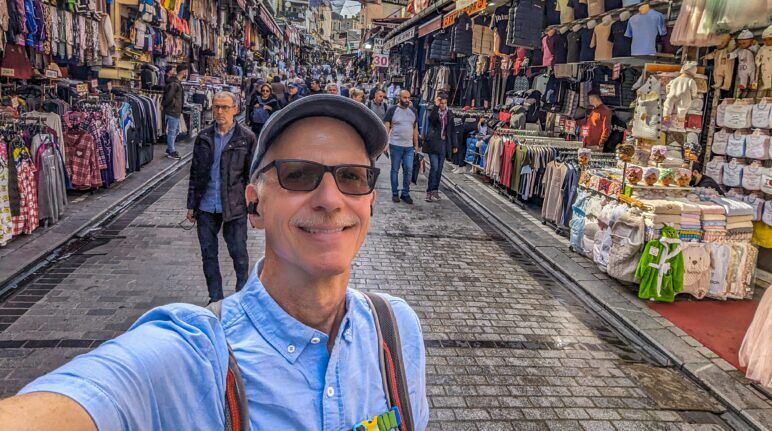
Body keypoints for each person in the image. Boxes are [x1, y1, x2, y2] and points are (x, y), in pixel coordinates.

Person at [0, 95, 429, 431]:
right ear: (255, 205)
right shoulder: (198, 354)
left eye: (352, 177)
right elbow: (100, 392)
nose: (331, 200)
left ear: (370, 200)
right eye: (299, 174)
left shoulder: (396, 330)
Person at [183, 91, 256, 302]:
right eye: (216, 107)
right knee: (208, 255)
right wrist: (191, 204)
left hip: (234, 205)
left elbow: (251, 176)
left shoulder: (246, 138)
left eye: (224, 107)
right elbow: (195, 172)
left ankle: (242, 298)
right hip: (206, 206)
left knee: (239, 255)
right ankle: (215, 299)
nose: (220, 111)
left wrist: (253, 206)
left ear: (235, 109)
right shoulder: (204, 137)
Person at [383, 90, 419, 204]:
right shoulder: (392, 110)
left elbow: (415, 129)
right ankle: (395, 193)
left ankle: (405, 193)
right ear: (399, 98)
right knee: (395, 169)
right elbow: (386, 128)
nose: (407, 100)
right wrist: (385, 144)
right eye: (404, 98)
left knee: (408, 170)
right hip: (395, 145)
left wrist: (417, 145)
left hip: (409, 147)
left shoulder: (413, 111)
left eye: (408, 98)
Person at [423, 93, 453, 202]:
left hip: (443, 144)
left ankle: (435, 190)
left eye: (445, 103)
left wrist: (454, 145)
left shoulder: (449, 113)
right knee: (434, 167)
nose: (443, 105)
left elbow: (451, 130)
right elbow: (432, 120)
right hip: (433, 144)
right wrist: (436, 106)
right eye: (441, 103)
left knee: (439, 169)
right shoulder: (433, 110)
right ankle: (429, 192)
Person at [161, 64, 187, 160]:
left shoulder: (176, 82)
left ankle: (170, 148)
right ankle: (171, 151)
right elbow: (169, 96)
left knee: (174, 130)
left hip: (174, 110)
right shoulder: (175, 83)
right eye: (186, 71)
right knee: (172, 131)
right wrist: (164, 105)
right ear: (183, 71)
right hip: (172, 110)